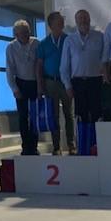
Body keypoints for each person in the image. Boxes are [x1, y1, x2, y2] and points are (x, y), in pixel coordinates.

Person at [36, 11, 76, 155]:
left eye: (62, 21)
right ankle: (56, 146)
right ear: (51, 24)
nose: (61, 23)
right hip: (50, 82)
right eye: (58, 21)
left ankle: (71, 145)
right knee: (53, 115)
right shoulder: (44, 44)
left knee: (69, 114)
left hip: (66, 82)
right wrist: (40, 87)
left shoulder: (69, 40)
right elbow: (39, 66)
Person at [60, 10, 107, 125]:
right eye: (80, 18)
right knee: (81, 116)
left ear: (90, 19)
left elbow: (105, 58)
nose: (83, 21)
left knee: (97, 113)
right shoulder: (69, 40)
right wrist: (67, 86)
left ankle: (97, 142)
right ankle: (84, 142)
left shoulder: (99, 36)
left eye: (85, 18)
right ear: (76, 21)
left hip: (95, 81)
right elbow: (64, 66)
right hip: (78, 82)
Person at [6, 20, 40, 155]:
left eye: (27, 32)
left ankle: (34, 145)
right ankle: (26, 146)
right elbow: (10, 69)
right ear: (16, 34)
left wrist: (40, 86)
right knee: (23, 116)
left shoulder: (36, 43)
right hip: (21, 83)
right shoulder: (11, 47)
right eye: (23, 33)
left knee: (35, 116)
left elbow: (40, 65)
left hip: (35, 83)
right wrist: (14, 88)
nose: (26, 35)